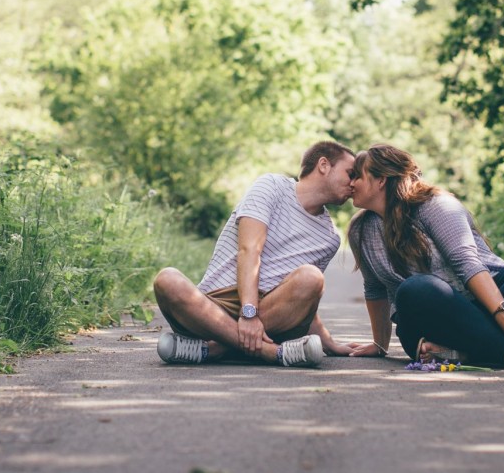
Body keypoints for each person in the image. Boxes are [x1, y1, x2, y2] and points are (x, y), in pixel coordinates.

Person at [346, 144, 504, 370]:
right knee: (415, 289)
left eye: (357, 176)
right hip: (435, 320)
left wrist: (502, 311)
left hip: (489, 300)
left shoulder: (435, 205)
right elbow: (375, 289)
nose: (351, 183)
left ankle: (464, 353)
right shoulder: (361, 230)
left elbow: (466, 262)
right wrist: (379, 344)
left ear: (381, 180)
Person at [152, 141, 360, 367]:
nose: (354, 183)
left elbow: (305, 299)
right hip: (215, 308)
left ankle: (214, 350)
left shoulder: (329, 238)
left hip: (271, 314)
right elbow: (249, 250)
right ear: (323, 165)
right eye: (350, 173)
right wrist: (248, 314)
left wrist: (328, 342)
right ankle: (270, 352)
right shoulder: (271, 186)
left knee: (312, 278)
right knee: (167, 279)